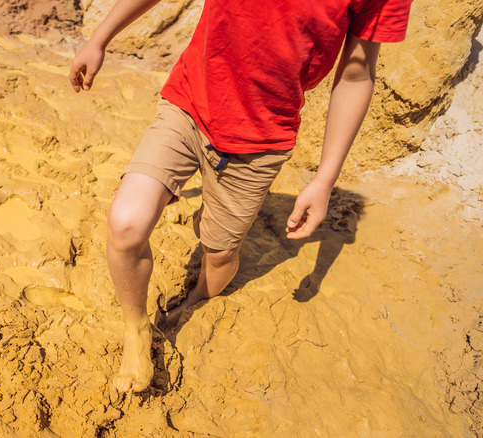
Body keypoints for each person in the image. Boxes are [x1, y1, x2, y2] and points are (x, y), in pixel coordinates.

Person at [69, 0, 412, 394]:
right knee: (126, 223)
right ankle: (137, 329)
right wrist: (100, 38)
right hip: (188, 103)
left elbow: (356, 74)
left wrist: (324, 180)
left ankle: (196, 297)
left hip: (261, 141)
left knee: (218, 254)